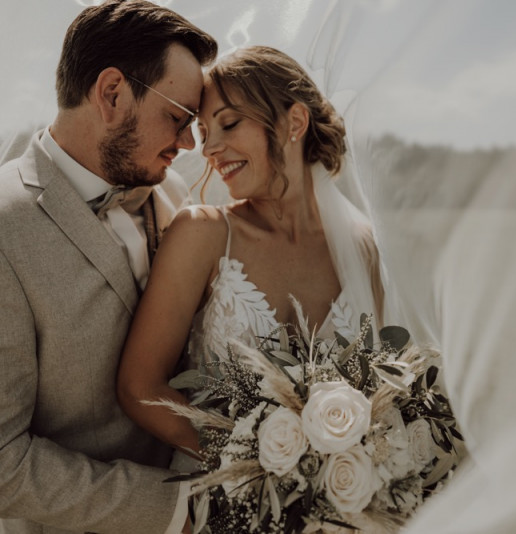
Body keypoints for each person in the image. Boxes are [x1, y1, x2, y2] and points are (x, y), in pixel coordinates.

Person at [0, 1, 216, 533]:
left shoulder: (173, 193)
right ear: (112, 93)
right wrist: (169, 509)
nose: (189, 142)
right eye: (179, 117)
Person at [116, 45, 384, 530]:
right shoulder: (202, 233)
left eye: (229, 123)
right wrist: (260, 464)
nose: (210, 148)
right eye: (202, 132)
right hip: (217, 505)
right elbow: (140, 387)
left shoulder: (363, 247)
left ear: (295, 122)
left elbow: (376, 391)